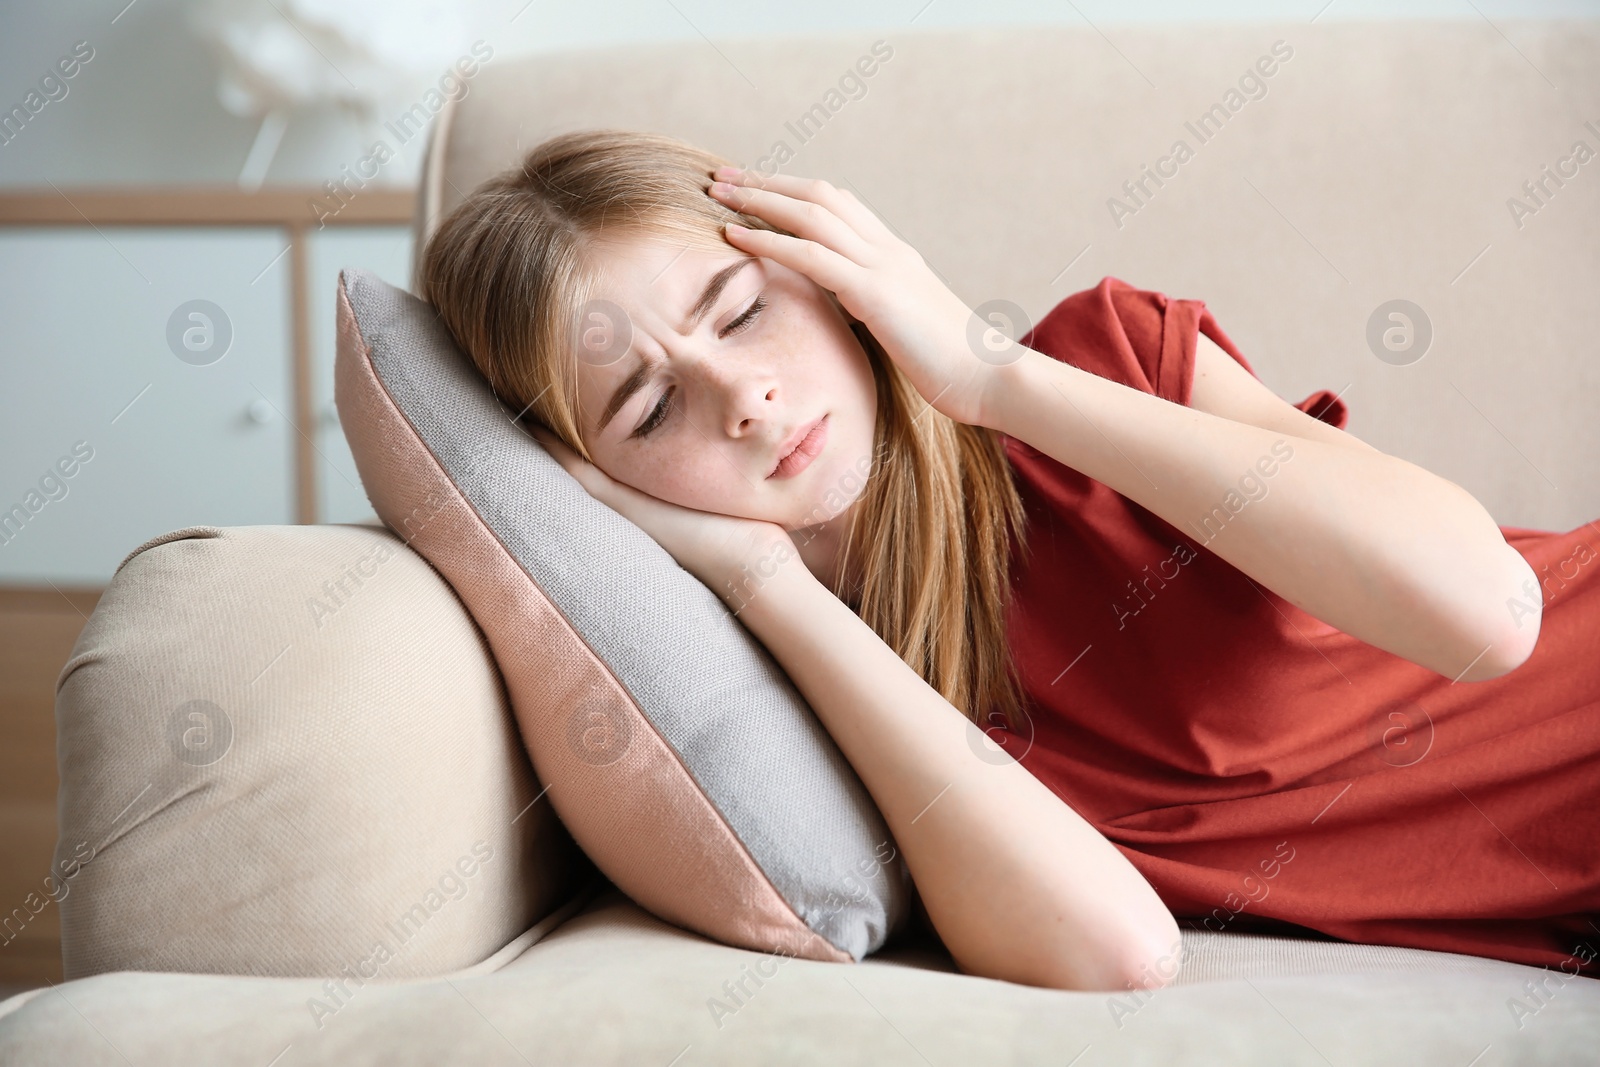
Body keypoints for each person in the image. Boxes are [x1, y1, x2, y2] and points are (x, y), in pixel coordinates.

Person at [419, 128, 1600, 992]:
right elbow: (1115, 950)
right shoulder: (805, 707)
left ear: (829, 269)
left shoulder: (1103, 363)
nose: (743, 397)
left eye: (737, 311)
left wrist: (992, 378)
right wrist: (762, 583)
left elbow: (1490, 611)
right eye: (646, 409)